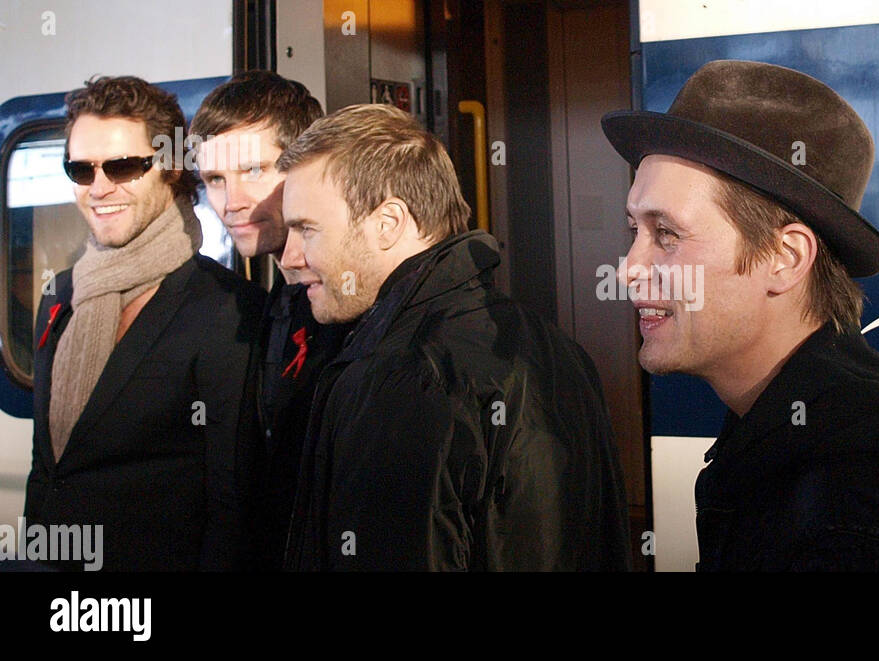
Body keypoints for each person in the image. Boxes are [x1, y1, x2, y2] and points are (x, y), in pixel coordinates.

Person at [601, 60, 879, 571]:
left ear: (784, 259)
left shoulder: (852, 516)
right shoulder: (801, 434)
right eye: (635, 230)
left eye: (667, 234)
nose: (630, 270)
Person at [278, 104, 630, 571]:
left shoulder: (400, 376)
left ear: (388, 224)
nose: (288, 257)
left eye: (306, 229)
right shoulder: (554, 347)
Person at [25, 76, 264, 570]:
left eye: (124, 166)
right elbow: (47, 467)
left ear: (171, 168)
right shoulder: (60, 295)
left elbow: (234, 507)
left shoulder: (228, 310)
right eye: (81, 169)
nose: (100, 187)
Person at [192, 70, 351, 570]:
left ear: (305, 166)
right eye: (215, 180)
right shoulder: (280, 301)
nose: (231, 202)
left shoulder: (348, 303)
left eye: (254, 171)